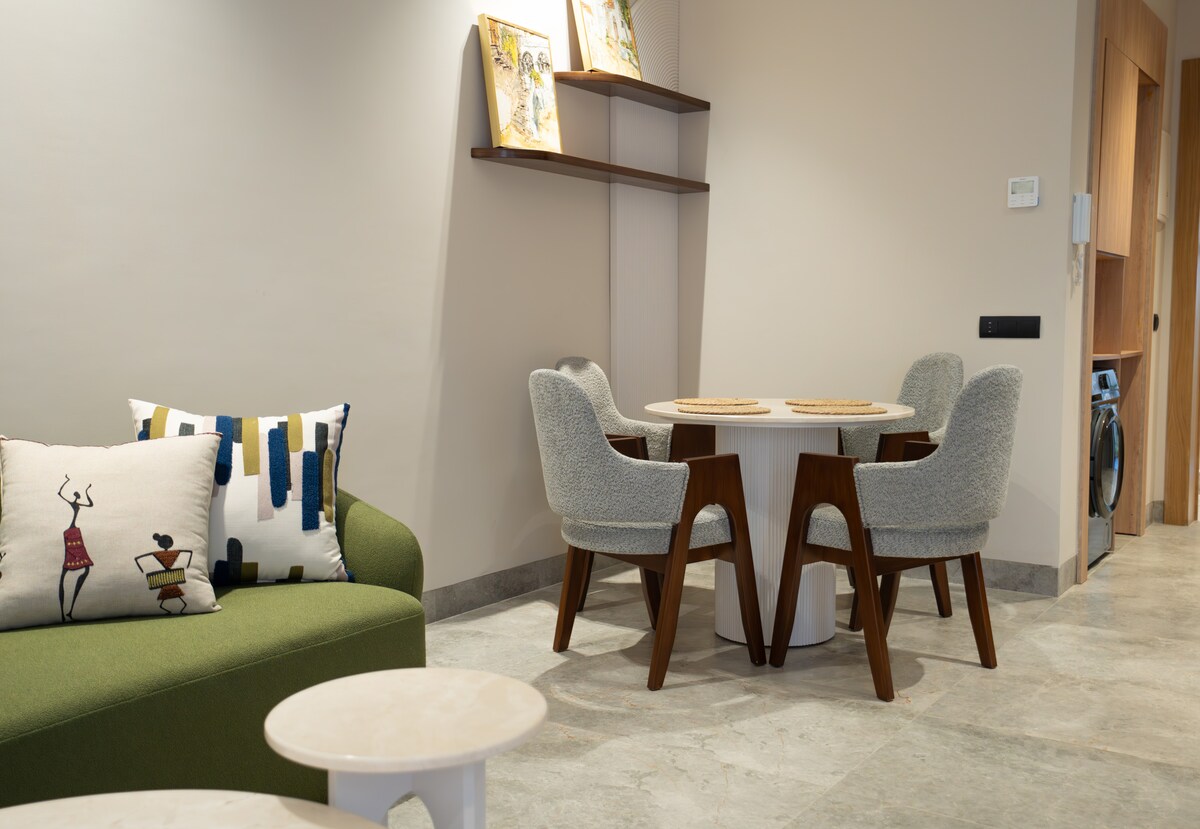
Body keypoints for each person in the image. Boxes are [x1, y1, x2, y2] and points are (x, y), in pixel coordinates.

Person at [57, 475, 95, 622]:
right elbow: (60, 493)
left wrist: (87, 491)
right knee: (65, 570)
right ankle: (62, 612)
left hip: (75, 532)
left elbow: (91, 504)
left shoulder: (78, 504)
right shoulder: (71, 503)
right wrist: (66, 481)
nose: (77, 495)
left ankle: (70, 611)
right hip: (70, 532)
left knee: (86, 568)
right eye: (77, 493)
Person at [134, 533, 192, 615]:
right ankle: (179, 608)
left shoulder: (170, 554)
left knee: (169, 599)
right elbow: (189, 552)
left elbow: (138, 558)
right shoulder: (163, 554)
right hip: (168, 580)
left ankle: (177, 608)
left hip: (170, 579)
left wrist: (141, 568)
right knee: (170, 598)